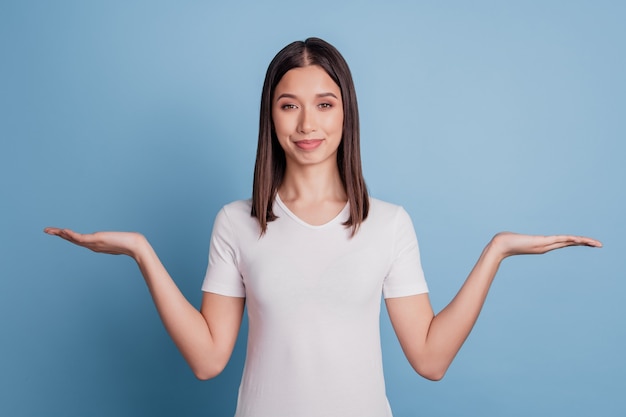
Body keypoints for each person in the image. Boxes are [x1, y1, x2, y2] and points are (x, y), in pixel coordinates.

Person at [44, 38, 601, 417]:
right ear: (271, 117)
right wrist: (142, 252)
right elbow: (209, 359)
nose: (308, 123)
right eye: (289, 106)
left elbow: (430, 360)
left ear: (345, 113)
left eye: (324, 103)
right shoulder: (237, 223)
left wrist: (496, 251)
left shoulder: (389, 224)